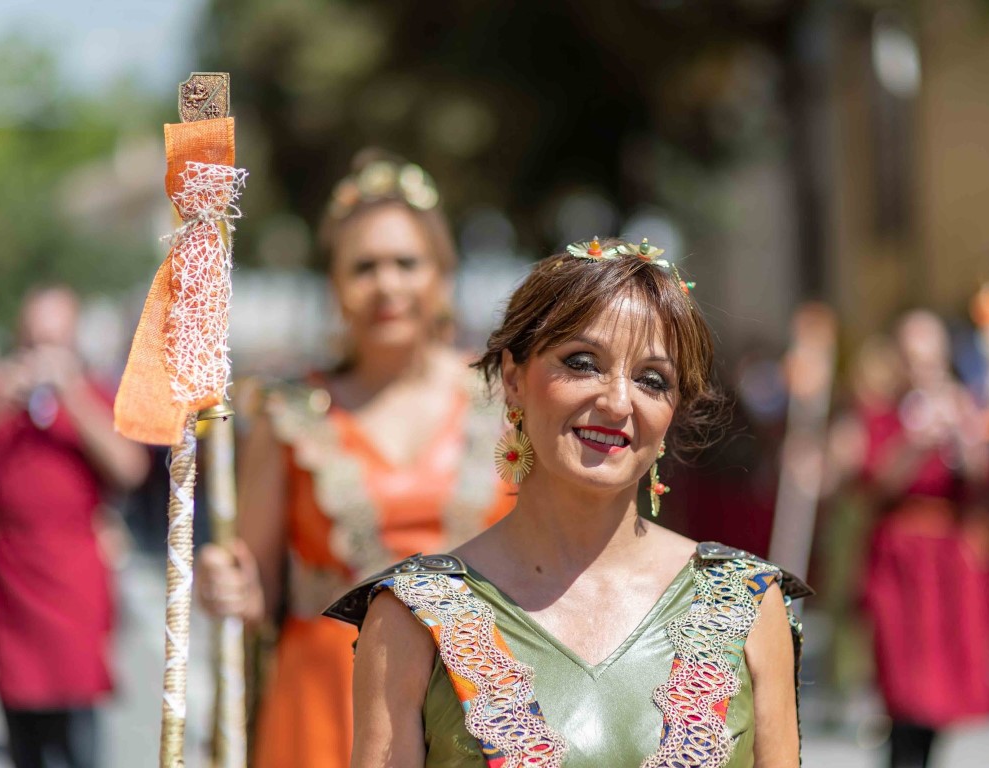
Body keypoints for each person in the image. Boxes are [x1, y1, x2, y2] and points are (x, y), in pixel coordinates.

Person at [328, 237, 811, 767]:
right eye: (583, 363)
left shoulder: (744, 605)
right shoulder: (412, 617)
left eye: (652, 380)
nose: (618, 402)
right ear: (514, 379)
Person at [196, 150, 513, 767]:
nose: (386, 285)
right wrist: (225, 583)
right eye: (364, 267)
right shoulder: (289, 414)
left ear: (442, 274)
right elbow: (255, 589)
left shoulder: (509, 401)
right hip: (323, 705)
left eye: (406, 263)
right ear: (336, 286)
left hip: (484, 698)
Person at [0, 285, 150, 768]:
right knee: (19, 717)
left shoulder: (94, 393)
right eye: (33, 343)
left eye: (53, 343)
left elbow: (129, 469)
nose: (42, 356)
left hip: (73, 573)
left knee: (77, 720)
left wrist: (73, 398)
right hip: (9, 572)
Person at [860, 310, 989, 768]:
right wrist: (918, 441)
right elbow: (877, 479)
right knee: (904, 683)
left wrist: (964, 434)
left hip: (947, 560)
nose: (924, 369)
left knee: (940, 688)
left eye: (932, 359)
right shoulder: (884, 412)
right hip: (902, 560)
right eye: (914, 359)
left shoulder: (962, 406)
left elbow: (981, 476)